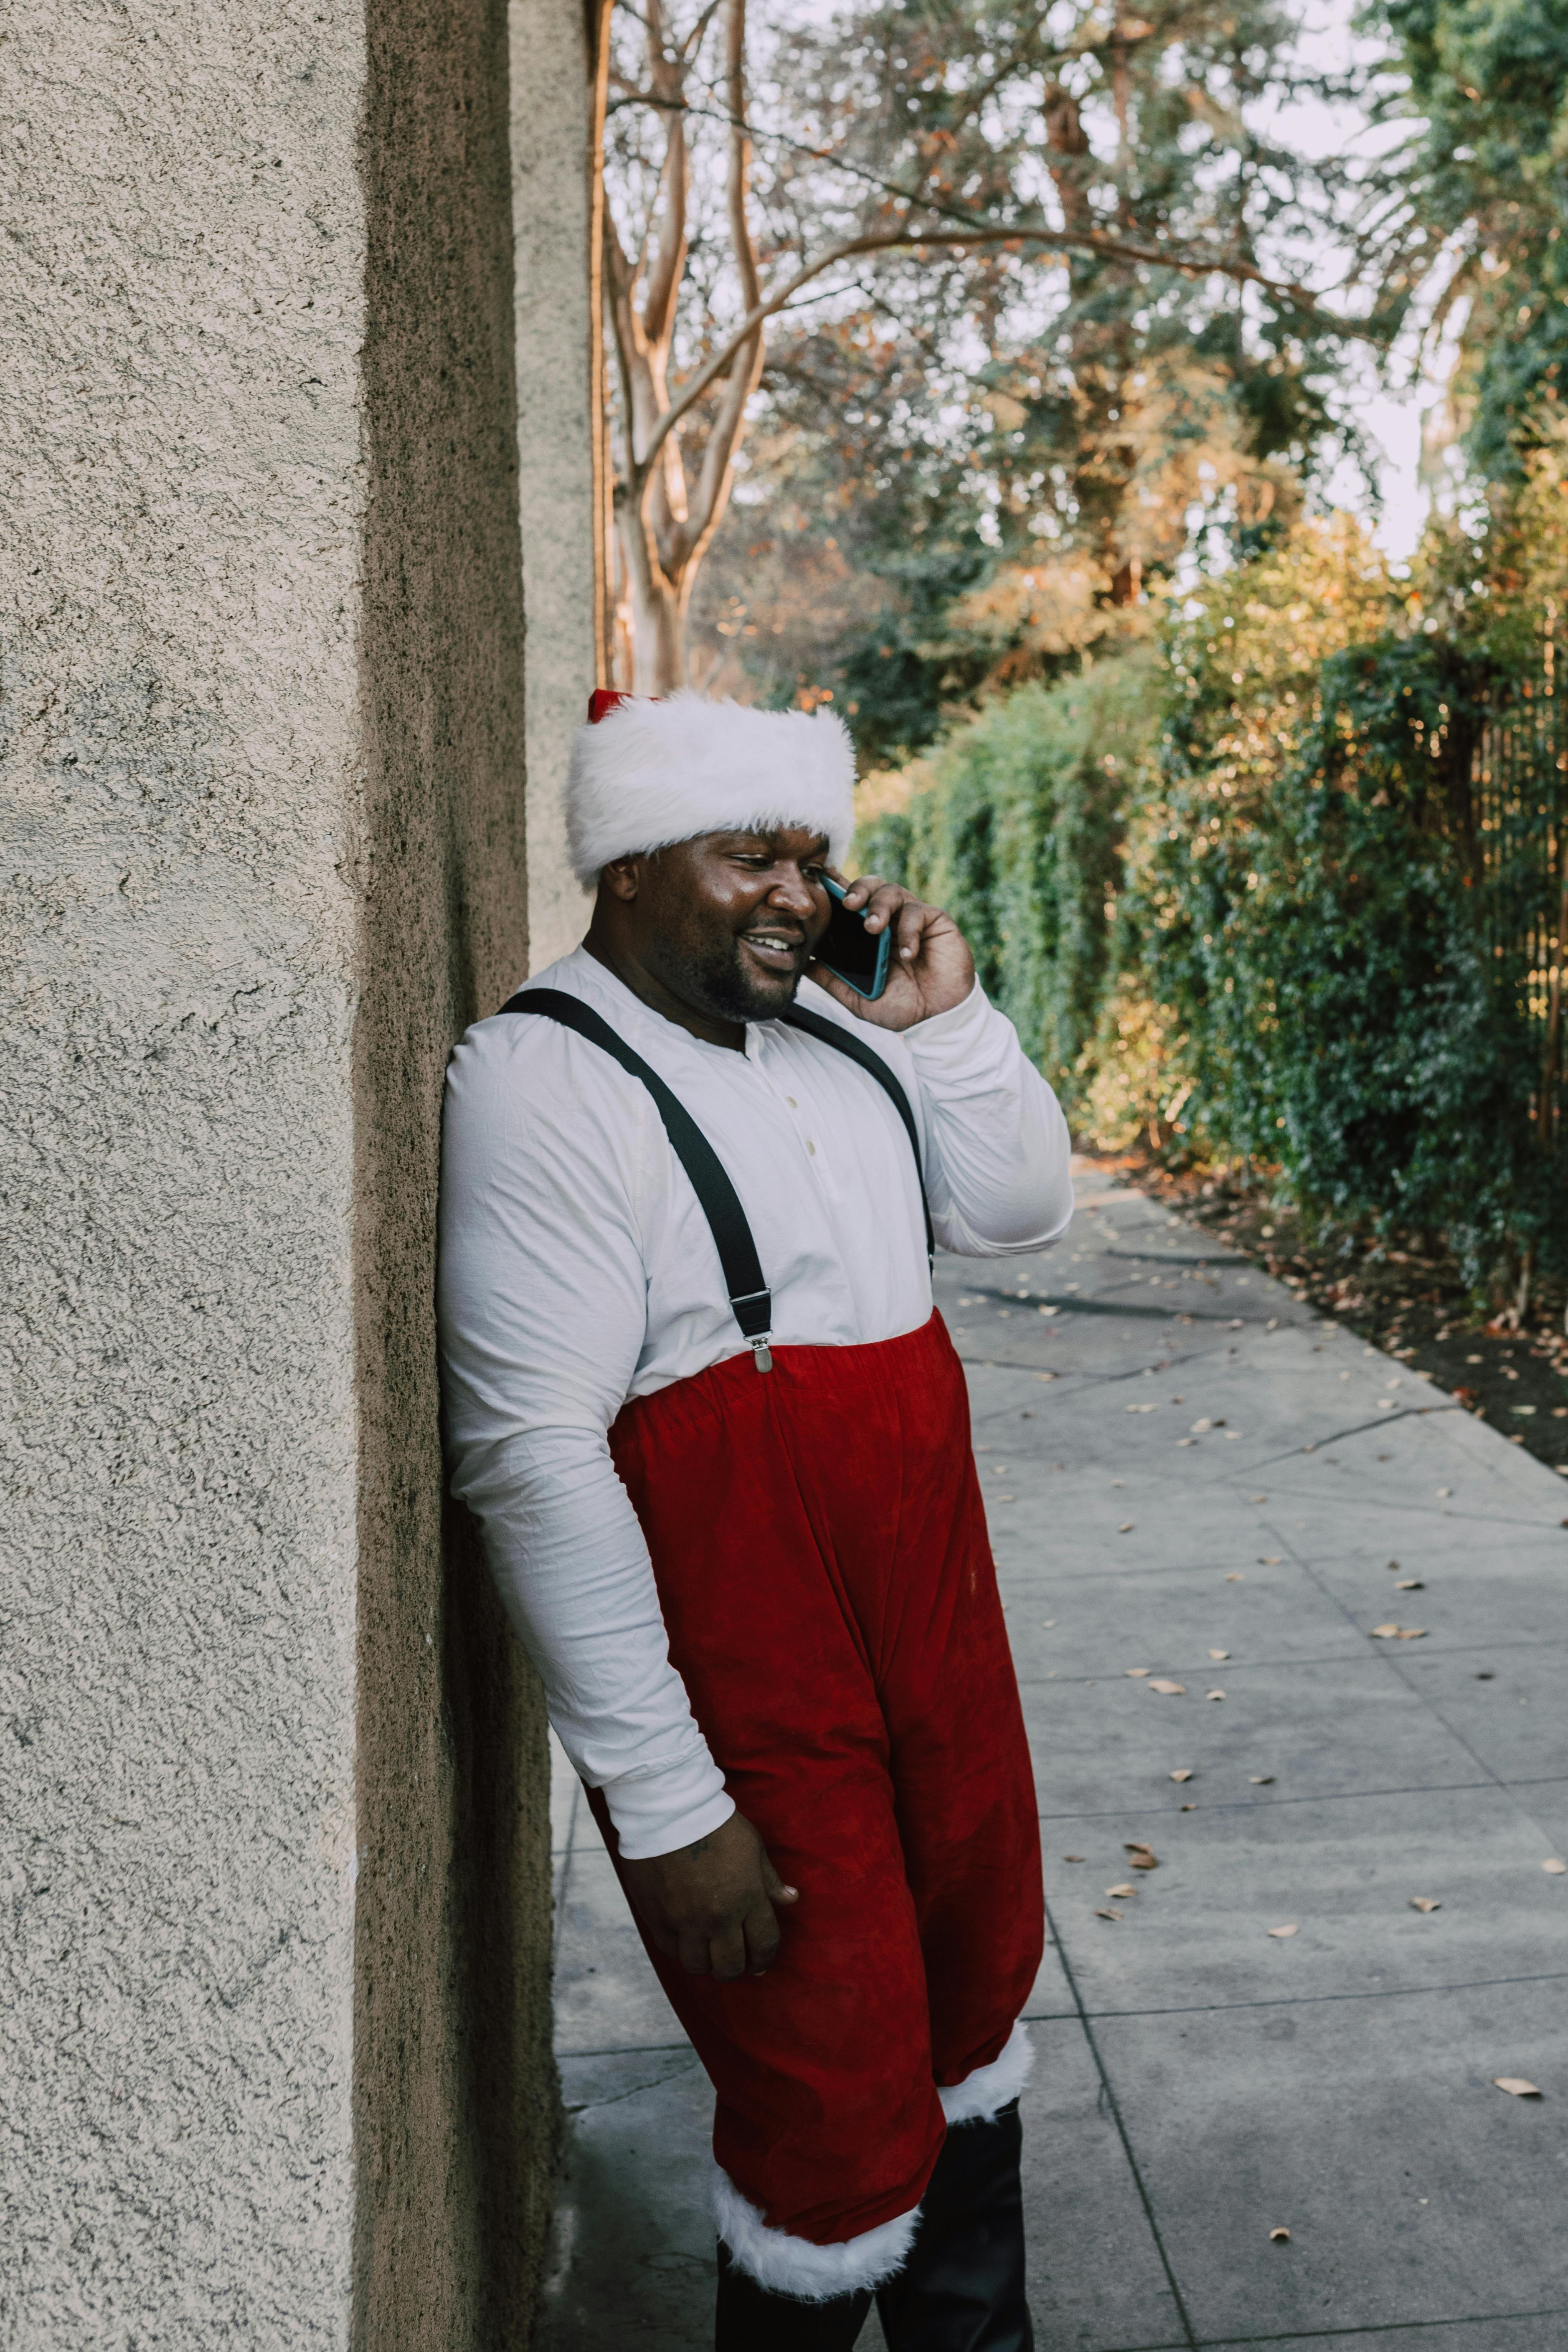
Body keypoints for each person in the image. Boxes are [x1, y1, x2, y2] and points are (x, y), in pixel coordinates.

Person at [437, 689, 1073, 2349]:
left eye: (815, 858)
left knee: (970, 2001)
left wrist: (944, 1015)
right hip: (755, 1676)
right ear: (631, 864)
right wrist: (667, 1805)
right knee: (829, 2091)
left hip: (935, 1628)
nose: (799, 894)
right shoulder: (543, 1077)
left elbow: (1018, 1209)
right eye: (751, 857)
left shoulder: (847, 1041)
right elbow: (534, 1457)